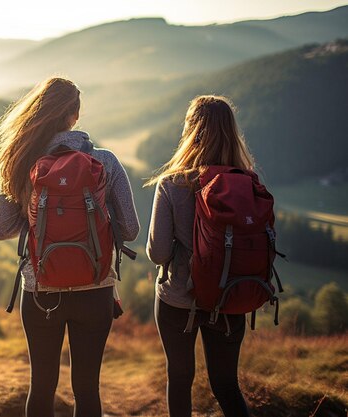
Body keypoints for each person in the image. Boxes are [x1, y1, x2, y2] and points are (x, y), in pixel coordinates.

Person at [0, 77, 139, 417]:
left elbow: (1, 230)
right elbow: (130, 229)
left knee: (41, 385)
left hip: (41, 289)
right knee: (87, 388)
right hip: (95, 287)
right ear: (75, 116)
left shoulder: (20, 160)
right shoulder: (106, 161)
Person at [145, 95, 253, 417]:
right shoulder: (247, 184)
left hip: (180, 299)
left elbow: (158, 252)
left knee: (179, 379)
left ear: (190, 131)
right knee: (225, 385)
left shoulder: (171, 184)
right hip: (229, 297)